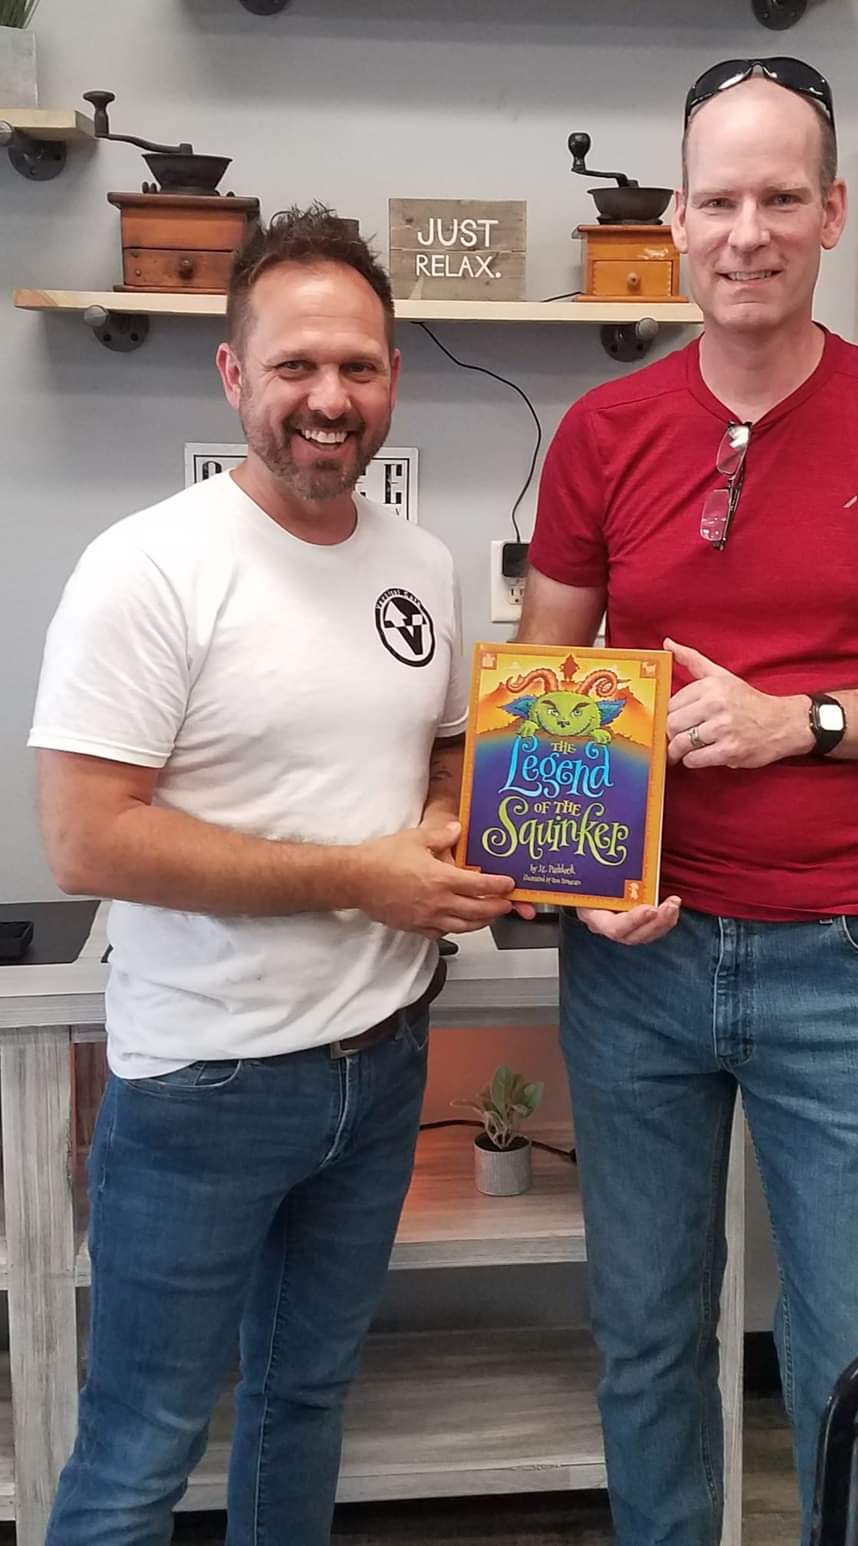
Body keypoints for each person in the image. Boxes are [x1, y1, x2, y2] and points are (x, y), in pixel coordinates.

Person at [517, 58, 858, 1546]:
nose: (745, 231)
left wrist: (798, 721)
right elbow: (545, 693)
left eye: (778, 198)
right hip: (640, 966)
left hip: (850, 962)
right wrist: (579, 879)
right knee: (645, 1335)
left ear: (832, 214)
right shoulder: (603, 433)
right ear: (678, 219)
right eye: (718, 200)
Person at [30, 205, 515, 1546]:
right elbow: (88, 837)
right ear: (233, 372)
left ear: (394, 377)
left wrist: (443, 818)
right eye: (295, 365)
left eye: (357, 366)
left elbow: (442, 744)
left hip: (382, 1064)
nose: (328, 398)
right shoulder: (146, 568)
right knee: (140, 1446)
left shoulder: (418, 562)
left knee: (305, 1402)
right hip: (207, 1084)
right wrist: (363, 877)